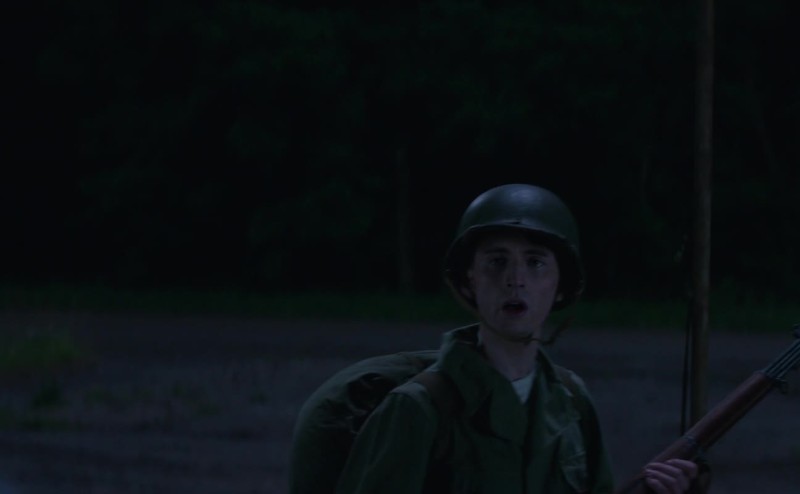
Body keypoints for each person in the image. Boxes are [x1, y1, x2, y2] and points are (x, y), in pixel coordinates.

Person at [292, 183, 707, 493]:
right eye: (496, 261)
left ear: (560, 286)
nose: (515, 279)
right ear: (469, 281)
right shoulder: (419, 410)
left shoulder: (572, 403)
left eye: (535, 263)